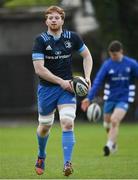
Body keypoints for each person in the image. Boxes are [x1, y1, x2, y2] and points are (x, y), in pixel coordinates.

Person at [32, 6, 93, 176]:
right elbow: (39, 69)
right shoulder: (41, 40)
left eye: (57, 17)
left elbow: (87, 56)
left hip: (67, 90)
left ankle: (67, 163)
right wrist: (61, 82)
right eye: (50, 17)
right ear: (46, 21)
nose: (53, 20)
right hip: (47, 90)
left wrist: (87, 77)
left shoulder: (72, 37)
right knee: (44, 126)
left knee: (67, 122)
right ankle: (41, 155)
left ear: (62, 20)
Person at [81, 40, 138, 156]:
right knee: (107, 124)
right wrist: (89, 98)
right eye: (111, 55)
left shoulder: (131, 64)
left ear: (121, 51)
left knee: (114, 120)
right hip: (110, 98)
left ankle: (108, 145)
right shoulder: (107, 65)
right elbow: (97, 81)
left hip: (124, 98)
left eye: (115, 55)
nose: (113, 57)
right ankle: (113, 143)